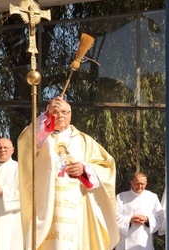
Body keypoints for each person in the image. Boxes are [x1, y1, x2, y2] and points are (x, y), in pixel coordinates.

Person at [17, 96, 119, 249]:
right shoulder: (42, 137)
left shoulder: (84, 141)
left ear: (70, 115)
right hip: (47, 204)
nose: (61, 116)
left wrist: (85, 169)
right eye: (56, 112)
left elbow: (107, 167)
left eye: (65, 112)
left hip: (77, 204)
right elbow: (27, 145)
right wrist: (46, 116)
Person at [116, 172, 164, 250]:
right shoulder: (121, 197)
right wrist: (129, 220)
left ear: (146, 184)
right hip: (125, 240)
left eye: (142, 184)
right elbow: (114, 217)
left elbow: (160, 217)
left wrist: (147, 219)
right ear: (131, 183)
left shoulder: (152, 197)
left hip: (144, 240)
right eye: (137, 183)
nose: (139, 186)